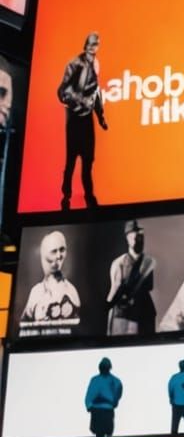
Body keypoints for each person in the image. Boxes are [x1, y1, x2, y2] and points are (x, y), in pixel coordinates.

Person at [58, 30, 107, 209]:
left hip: (87, 120)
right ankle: (66, 195)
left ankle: (89, 197)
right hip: (74, 119)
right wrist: (78, 100)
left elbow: (95, 91)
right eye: (93, 44)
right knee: (71, 161)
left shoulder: (96, 64)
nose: (95, 48)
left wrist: (101, 116)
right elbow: (62, 91)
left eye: (97, 44)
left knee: (88, 161)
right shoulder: (74, 64)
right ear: (86, 45)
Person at [20, 229, 81, 332]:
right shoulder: (36, 292)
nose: (58, 256)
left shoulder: (71, 291)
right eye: (54, 251)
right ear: (44, 255)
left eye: (62, 250)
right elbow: (23, 328)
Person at [105, 219, 156, 336]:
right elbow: (113, 294)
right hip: (123, 317)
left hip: (144, 315)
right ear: (128, 239)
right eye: (135, 237)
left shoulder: (148, 262)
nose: (139, 240)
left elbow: (149, 287)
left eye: (141, 237)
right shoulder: (119, 263)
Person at [84, 357, 122, 437]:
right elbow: (89, 394)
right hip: (97, 410)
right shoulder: (95, 380)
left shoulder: (115, 381)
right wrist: (89, 405)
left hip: (106, 410)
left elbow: (117, 393)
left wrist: (114, 403)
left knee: (107, 435)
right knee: (99, 434)